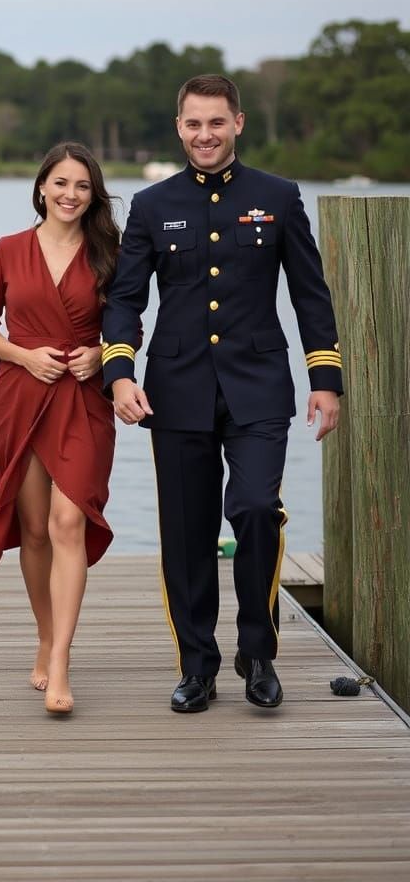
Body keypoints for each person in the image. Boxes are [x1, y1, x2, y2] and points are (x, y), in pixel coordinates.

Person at [102, 74, 342, 713]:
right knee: (186, 534)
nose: (204, 135)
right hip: (176, 393)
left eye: (215, 122)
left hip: (259, 387)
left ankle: (258, 652)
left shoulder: (279, 197)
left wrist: (325, 380)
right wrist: (120, 372)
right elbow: (126, 299)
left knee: (258, 509)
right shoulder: (152, 206)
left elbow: (309, 294)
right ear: (178, 128)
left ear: (238, 123)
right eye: (192, 124)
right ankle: (197, 667)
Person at [0, 142, 119, 715]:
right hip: (19, 397)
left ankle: (60, 662)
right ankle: (44, 634)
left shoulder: (110, 252)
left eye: (81, 186)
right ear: (41, 189)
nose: (70, 194)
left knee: (67, 521)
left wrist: (101, 355)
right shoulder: (7, 250)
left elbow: (129, 324)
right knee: (32, 528)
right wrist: (24, 356)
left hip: (83, 402)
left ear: (92, 194)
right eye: (60, 183)